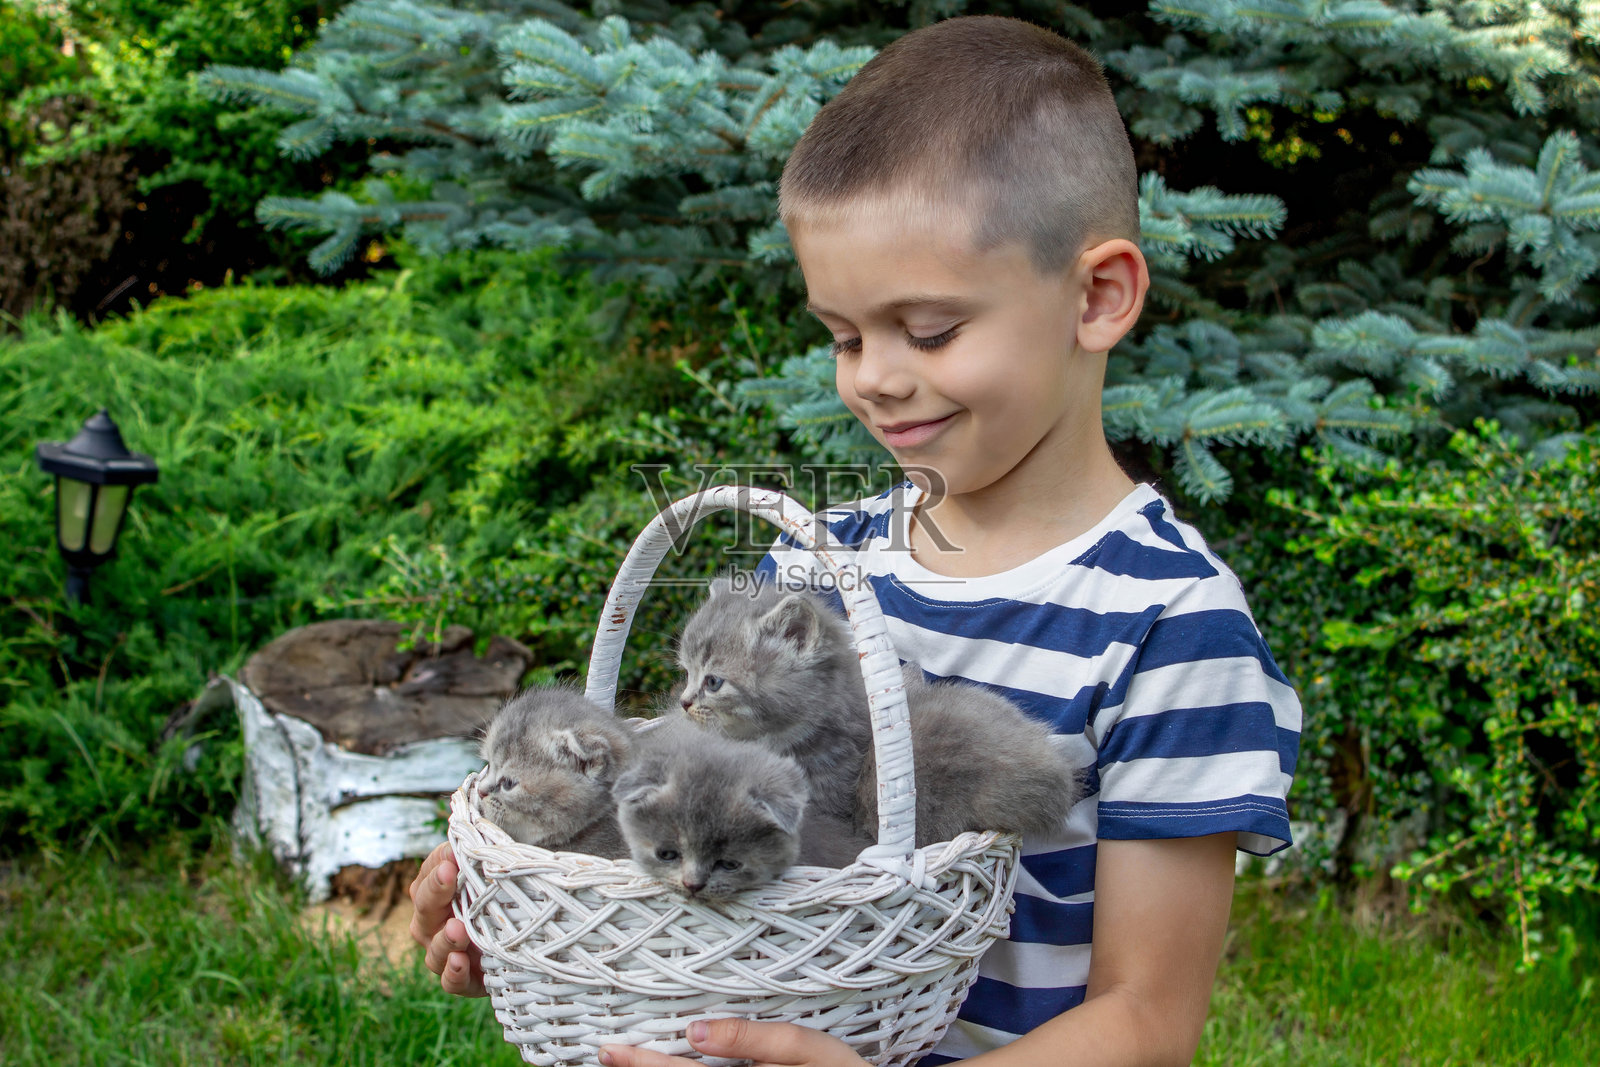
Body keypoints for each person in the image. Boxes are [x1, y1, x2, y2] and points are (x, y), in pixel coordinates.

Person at [408, 14, 1300, 1067]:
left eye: (927, 331)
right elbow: (694, 812)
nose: (872, 375)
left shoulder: (1167, 623)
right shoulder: (805, 577)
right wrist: (548, 902)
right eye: (841, 335)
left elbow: (1147, 1021)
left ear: (1096, 295)